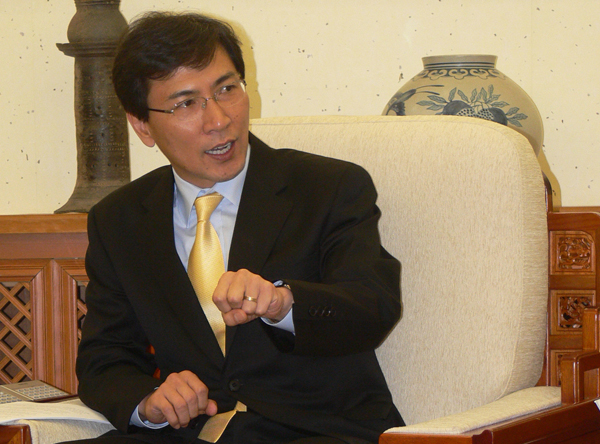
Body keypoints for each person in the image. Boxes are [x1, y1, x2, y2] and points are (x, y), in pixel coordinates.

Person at [68, 11, 404, 444]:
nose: (218, 120)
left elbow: (373, 307)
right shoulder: (120, 220)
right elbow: (105, 359)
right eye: (186, 103)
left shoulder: (328, 187)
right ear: (142, 125)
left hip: (316, 431)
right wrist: (149, 401)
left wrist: (283, 302)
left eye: (227, 89)